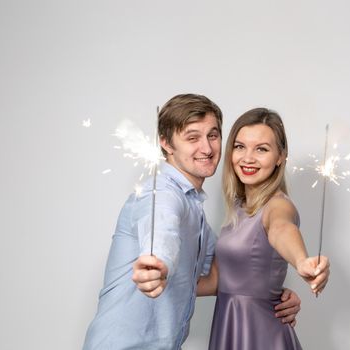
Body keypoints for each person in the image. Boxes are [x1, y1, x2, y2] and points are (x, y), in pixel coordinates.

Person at [83, 94, 301, 350]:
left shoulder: (194, 209)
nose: (207, 149)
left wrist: (274, 293)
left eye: (213, 135)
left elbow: (222, 276)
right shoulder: (160, 195)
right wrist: (158, 265)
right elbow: (163, 235)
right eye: (192, 137)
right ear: (166, 143)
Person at [134, 107, 330, 350]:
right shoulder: (239, 208)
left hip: (261, 334)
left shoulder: (278, 205)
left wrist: (301, 261)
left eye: (262, 149)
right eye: (239, 146)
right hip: (229, 326)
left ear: (281, 156)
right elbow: (217, 281)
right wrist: (158, 279)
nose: (248, 158)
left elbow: (282, 229)